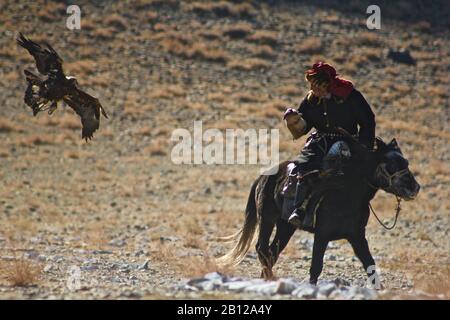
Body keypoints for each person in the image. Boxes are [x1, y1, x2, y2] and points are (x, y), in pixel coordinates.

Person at [283, 62, 376, 229]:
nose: (313, 88)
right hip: (320, 142)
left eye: (316, 84)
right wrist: (294, 121)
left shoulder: (350, 96)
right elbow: (304, 126)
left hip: (346, 142)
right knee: (303, 166)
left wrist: (364, 146)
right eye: (311, 84)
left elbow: (368, 121)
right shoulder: (312, 99)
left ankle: (353, 209)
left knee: (337, 167)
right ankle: (300, 209)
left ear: (327, 83)